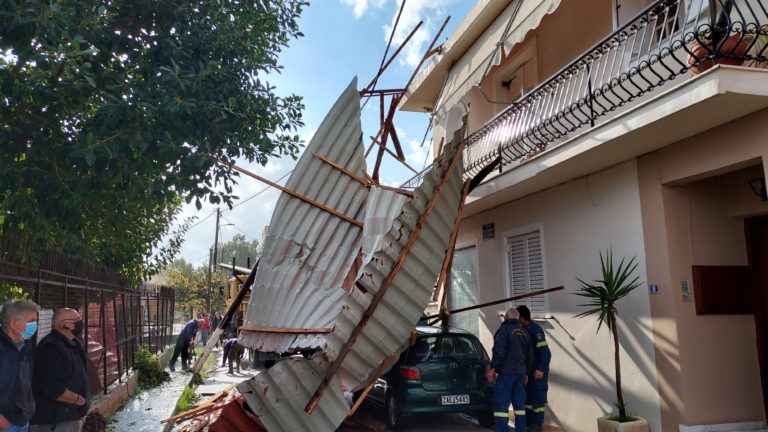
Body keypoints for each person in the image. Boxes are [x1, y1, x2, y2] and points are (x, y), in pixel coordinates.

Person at [31, 308, 90, 432]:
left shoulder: (73, 343)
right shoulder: (51, 347)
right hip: (56, 418)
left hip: (71, 414)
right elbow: (52, 388)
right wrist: (79, 400)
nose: (80, 322)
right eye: (77, 319)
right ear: (64, 324)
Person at [489, 308, 533, 432]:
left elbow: (499, 352)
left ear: (506, 317)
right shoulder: (525, 332)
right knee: (519, 406)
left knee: (501, 406)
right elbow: (530, 356)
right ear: (518, 318)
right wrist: (526, 372)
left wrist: (494, 368)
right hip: (520, 374)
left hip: (506, 374)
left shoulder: (503, 331)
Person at [0, 300, 41, 432]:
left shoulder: (24, 347)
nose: (35, 325)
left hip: (22, 420)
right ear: (14, 323)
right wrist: (3, 423)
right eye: (32, 320)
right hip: (6, 424)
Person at [517, 305, 552, 432]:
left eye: (517, 316)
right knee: (527, 399)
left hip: (537, 372)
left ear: (521, 317)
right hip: (528, 372)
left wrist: (541, 369)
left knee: (537, 399)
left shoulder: (535, 330)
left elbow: (545, 352)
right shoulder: (522, 330)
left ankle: (537, 425)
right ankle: (528, 424)